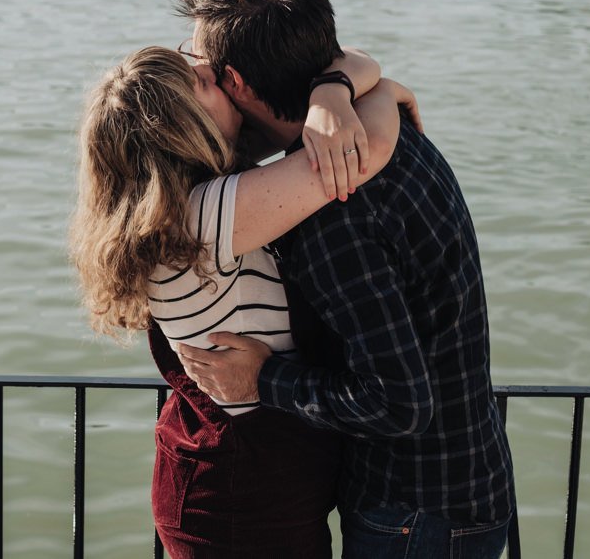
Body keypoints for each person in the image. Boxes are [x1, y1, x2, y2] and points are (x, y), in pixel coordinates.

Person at [174, 0, 516, 559]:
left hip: (415, 511)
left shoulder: (331, 209)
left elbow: (398, 403)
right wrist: (342, 86)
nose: (192, 70)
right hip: (456, 486)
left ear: (235, 81)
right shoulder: (378, 134)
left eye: (200, 65)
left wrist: (261, 378)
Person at [69, 43, 422, 557]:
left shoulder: (185, 202)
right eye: (204, 82)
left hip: (238, 484)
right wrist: (383, 93)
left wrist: (333, 89)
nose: (212, 70)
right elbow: (359, 150)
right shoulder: (207, 216)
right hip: (241, 505)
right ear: (184, 128)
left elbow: (356, 57)